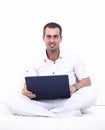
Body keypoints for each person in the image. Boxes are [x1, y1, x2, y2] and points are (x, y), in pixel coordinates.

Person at [5, 22, 97, 117]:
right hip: (41, 103)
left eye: (55, 36)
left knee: (92, 93)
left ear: (61, 38)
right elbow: (27, 84)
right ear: (43, 38)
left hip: (67, 101)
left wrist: (74, 87)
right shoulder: (34, 59)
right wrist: (25, 91)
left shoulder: (72, 57)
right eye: (48, 36)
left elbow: (87, 81)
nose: (52, 40)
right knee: (10, 100)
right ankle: (58, 114)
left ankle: (47, 113)